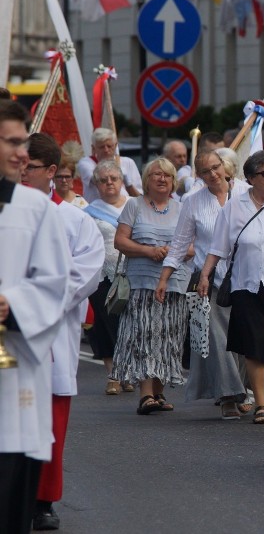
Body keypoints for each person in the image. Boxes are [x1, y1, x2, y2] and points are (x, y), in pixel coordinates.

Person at [20, 133, 104, 531]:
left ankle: (42, 500)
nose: (20, 172)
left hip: (51, 334)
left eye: (29, 167)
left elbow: (85, 272)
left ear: (51, 171)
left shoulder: (75, 220)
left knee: (49, 424)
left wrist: (35, 298)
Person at [0, 100, 71, 534]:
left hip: (13, 381)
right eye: (10, 141)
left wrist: (13, 305)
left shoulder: (36, 208)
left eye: (23, 142)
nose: (22, 153)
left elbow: (54, 283)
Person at [198, 150, 264, 424]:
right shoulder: (234, 206)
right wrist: (205, 276)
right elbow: (218, 246)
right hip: (246, 285)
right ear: (251, 177)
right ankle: (258, 401)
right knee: (255, 344)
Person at [155, 149, 249, 420]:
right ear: (198, 175)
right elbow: (180, 243)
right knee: (218, 340)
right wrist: (164, 278)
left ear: (225, 165)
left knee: (241, 341)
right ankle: (229, 395)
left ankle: (240, 387)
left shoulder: (246, 192)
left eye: (215, 167)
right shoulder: (193, 201)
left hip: (247, 279)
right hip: (210, 281)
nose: (212, 175)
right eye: (205, 171)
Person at [111, 158, 192, 415]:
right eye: (156, 174)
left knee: (168, 337)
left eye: (167, 175)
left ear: (173, 181)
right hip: (141, 283)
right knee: (144, 335)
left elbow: (193, 247)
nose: (162, 179)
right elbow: (120, 242)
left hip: (175, 284)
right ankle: (145, 395)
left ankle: (158, 392)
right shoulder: (134, 205)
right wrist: (149, 251)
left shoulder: (182, 208)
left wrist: (173, 252)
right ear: (146, 180)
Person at [83, 160, 133, 395]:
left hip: (132, 272)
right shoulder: (89, 211)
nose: (109, 183)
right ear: (97, 184)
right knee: (106, 323)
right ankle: (114, 374)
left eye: (113, 178)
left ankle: (129, 372)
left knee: (131, 324)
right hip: (102, 274)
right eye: (103, 180)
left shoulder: (135, 205)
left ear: (121, 181)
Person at [76, 128, 142, 203]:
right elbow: (96, 180)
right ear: (93, 148)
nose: (106, 150)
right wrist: (116, 174)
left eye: (109, 146)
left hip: (125, 210)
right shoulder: (86, 163)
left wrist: (128, 184)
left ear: (116, 145)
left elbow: (140, 198)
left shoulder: (128, 162)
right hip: (95, 212)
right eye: (101, 147)